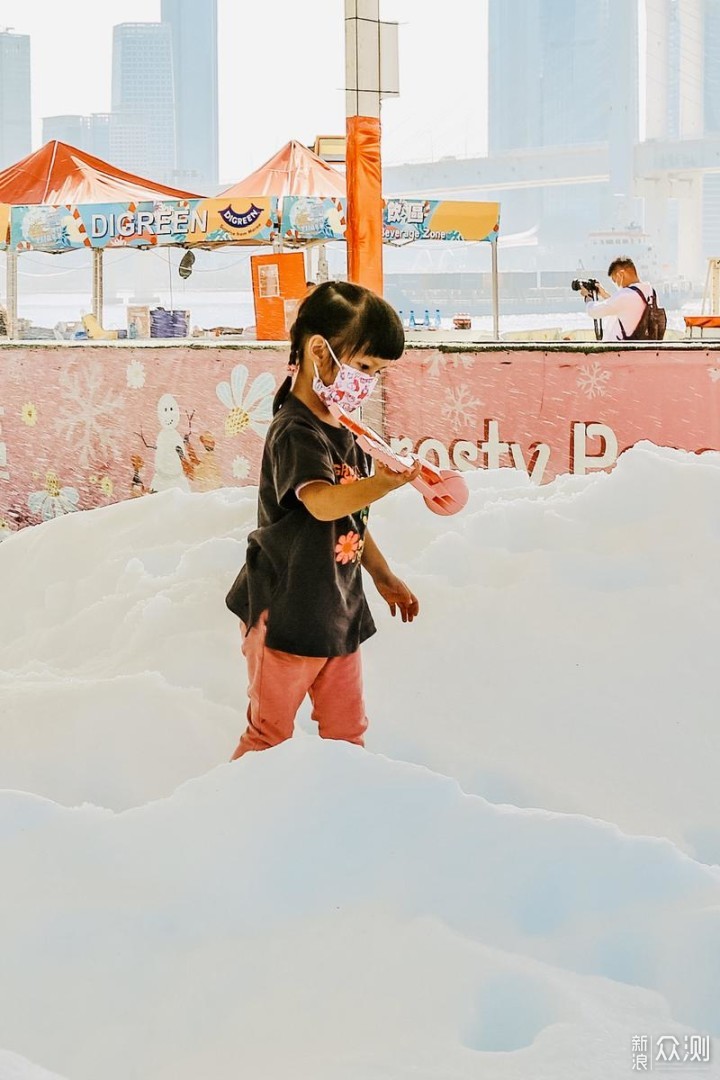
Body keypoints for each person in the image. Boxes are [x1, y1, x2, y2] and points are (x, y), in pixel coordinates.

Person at [226, 280, 421, 759]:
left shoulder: (343, 427)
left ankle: (339, 818)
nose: (368, 381)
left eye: (376, 372)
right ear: (319, 350)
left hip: (336, 611)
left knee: (348, 731)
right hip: (287, 611)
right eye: (363, 366)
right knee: (269, 736)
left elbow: (350, 513)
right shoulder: (296, 429)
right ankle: (232, 821)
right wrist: (386, 482)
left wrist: (382, 574)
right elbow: (322, 502)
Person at [579, 258, 658, 341]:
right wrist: (604, 294)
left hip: (621, 352)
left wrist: (588, 297)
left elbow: (593, 311)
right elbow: (624, 309)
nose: (616, 284)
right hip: (642, 349)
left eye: (615, 280)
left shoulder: (625, 295)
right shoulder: (650, 292)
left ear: (621, 274)